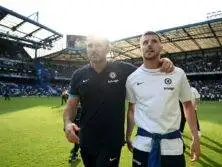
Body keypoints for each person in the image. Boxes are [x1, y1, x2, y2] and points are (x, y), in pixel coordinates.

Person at [63, 35, 174, 167]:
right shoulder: (78, 75)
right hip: (86, 139)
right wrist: (68, 123)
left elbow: (148, 69)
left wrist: (163, 61)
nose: (93, 49)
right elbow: (70, 106)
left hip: (111, 140)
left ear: (107, 48)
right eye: (90, 46)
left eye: (98, 45)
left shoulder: (123, 69)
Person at [126, 31, 200, 167]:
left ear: (161, 46)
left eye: (154, 41)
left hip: (172, 147)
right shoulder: (132, 79)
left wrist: (195, 137)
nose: (149, 45)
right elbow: (132, 109)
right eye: (145, 42)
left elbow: (188, 105)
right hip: (143, 146)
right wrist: (128, 136)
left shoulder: (177, 73)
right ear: (140, 49)